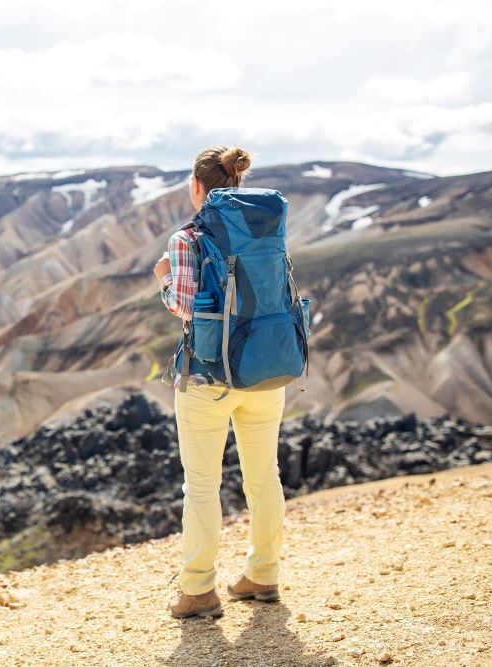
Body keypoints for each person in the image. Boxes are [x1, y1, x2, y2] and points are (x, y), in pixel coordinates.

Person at [152, 146, 286, 619]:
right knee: (263, 475)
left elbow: (185, 305)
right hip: (266, 370)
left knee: (203, 485)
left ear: (196, 186)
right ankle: (263, 574)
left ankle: (198, 590)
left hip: (210, 375)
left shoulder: (187, 237)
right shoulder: (265, 229)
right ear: (238, 183)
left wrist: (164, 279)